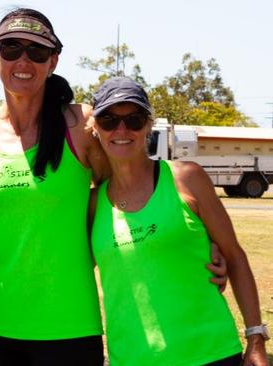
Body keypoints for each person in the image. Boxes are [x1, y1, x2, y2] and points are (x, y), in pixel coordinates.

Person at [0, 7, 228, 365]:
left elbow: (130, 195)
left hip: (70, 327)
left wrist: (205, 242)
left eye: (37, 51)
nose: (23, 60)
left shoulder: (81, 124)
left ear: (54, 61)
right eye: (11, 49)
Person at [88, 77, 269, 365]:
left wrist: (256, 338)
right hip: (131, 358)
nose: (121, 129)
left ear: (148, 125)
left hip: (210, 354)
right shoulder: (92, 205)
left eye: (134, 119)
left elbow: (234, 254)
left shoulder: (186, 177)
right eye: (108, 120)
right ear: (94, 128)